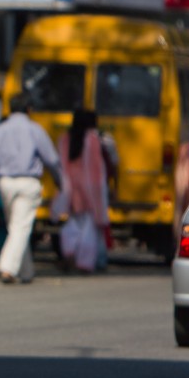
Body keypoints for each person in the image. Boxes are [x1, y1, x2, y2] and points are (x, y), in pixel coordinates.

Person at [0, 93, 62, 284]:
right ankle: (7, 268)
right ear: (29, 109)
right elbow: (51, 159)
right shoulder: (35, 130)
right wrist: (60, 180)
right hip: (28, 182)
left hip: (5, 182)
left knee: (16, 225)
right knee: (21, 226)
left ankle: (26, 271)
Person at [53, 109, 109, 273]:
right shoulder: (92, 140)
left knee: (73, 224)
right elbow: (97, 168)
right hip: (90, 189)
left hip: (70, 188)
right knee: (89, 228)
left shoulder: (64, 139)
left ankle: (69, 252)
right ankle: (84, 262)